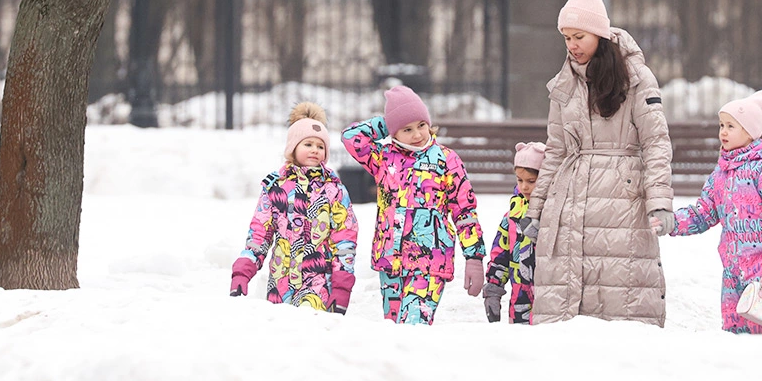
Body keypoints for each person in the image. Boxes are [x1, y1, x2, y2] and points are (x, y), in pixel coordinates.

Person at [522, 0, 675, 326]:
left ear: (599, 35)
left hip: (622, 201)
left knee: (620, 291)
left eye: (579, 37)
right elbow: (556, 149)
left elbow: (655, 142)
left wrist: (659, 201)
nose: (572, 46)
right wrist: (537, 209)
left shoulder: (636, 78)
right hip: (570, 199)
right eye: (566, 38)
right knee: (565, 303)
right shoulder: (564, 84)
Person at [650, 90, 762, 336]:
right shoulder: (721, 174)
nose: (723, 132)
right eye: (721, 125)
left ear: (749, 131)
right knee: (734, 325)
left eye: (731, 126)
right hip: (732, 267)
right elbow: (703, 213)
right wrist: (673, 222)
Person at [342, 86, 486, 325]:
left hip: (430, 260)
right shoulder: (383, 158)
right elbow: (350, 137)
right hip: (390, 260)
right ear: (394, 132)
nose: (417, 134)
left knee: (414, 325)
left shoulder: (446, 159)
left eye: (421, 125)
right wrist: (387, 122)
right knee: (395, 329)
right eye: (407, 129)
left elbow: (465, 211)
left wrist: (474, 256)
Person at [230, 102, 358, 314]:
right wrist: (243, 271)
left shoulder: (334, 190)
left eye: (320, 146)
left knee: (312, 329)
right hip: (280, 286)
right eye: (308, 144)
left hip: (318, 286)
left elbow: (344, 239)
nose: (315, 150)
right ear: (293, 147)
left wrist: (342, 285)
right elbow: (260, 233)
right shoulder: (275, 187)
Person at [483, 142, 546, 324]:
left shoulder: (556, 213)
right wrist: (493, 288)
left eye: (531, 181)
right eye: (520, 180)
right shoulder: (512, 215)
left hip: (549, 300)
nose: (524, 187)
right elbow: (501, 254)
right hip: (520, 301)